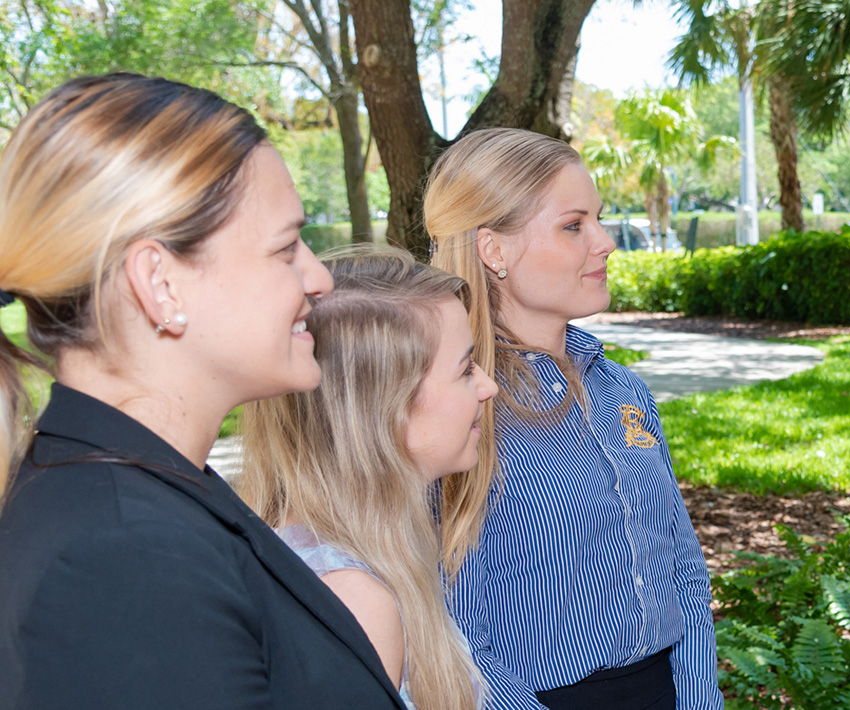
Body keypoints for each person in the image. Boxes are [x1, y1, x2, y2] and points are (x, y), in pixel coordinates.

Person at [0, 74, 402, 707]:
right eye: (286, 246)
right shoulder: (125, 556)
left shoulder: (142, 492)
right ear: (159, 283)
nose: (319, 277)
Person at [426, 127, 720, 710]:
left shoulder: (623, 390)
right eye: (573, 225)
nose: (605, 242)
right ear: (494, 250)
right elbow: (439, 621)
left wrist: (698, 697)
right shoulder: (458, 407)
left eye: (599, 219)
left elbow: (682, 566)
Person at [238, 247, 499, 710]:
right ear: (385, 411)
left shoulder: (343, 555)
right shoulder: (354, 598)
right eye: (464, 369)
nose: (487, 386)